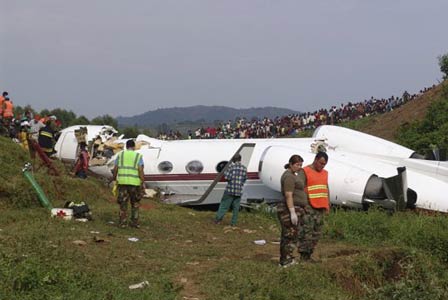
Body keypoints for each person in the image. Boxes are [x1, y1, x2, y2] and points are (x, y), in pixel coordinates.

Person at [300, 151, 330, 261]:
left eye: (324, 164)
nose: (322, 166)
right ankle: (304, 256)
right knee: (306, 232)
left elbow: (326, 189)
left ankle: (309, 254)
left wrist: (327, 205)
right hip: (309, 207)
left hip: (320, 208)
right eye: (321, 163)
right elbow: (300, 189)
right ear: (316, 160)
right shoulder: (305, 171)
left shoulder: (325, 173)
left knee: (317, 233)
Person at [277, 154, 305, 267]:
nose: (299, 167)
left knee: (290, 234)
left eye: (300, 165)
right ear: (291, 164)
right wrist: (292, 212)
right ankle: (285, 260)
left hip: (295, 207)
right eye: (297, 164)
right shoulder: (289, 176)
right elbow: (289, 195)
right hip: (288, 209)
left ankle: (287, 258)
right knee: (290, 235)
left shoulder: (293, 174)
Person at [112, 139, 145, 228]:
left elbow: (115, 168)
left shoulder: (120, 155)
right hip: (135, 183)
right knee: (135, 203)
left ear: (126, 147)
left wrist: (114, 178)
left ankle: (123, 223)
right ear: (134, 147)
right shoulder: (138, 156)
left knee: (123, 203)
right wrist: (142, 181)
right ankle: (134, 223)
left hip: (122, 183)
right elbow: (140, 170)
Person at [214, 153, 247, 226]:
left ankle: (218, 220)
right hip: (239, 191)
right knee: (236, 208)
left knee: (224, 205)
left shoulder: (231, 167)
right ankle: (233, 223)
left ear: (233, 160)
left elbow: (227, 177)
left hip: (230, 190)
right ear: (240, 159)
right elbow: (244, 179)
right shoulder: (244, 168)